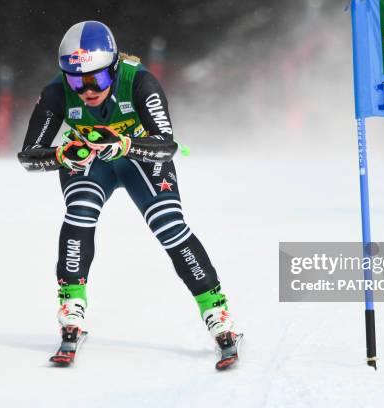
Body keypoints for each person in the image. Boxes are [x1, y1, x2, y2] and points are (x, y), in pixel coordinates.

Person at [18, 21, 239, 369]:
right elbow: (29, 155)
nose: (87, 90)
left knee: (169, 225)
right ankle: (71, 304)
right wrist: (61, 154)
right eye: (77, 81)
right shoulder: (56, 92)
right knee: (80, 210)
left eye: (96, 80)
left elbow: (167, 146)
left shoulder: (139, 82)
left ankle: (216, 310)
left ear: (114, 68)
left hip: (139, 159)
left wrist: (125, 144)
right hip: (93, 162)